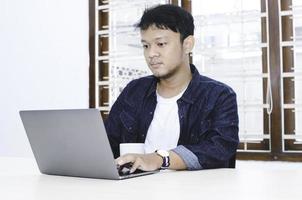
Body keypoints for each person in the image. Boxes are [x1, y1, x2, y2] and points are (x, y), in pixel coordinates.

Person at [104, 4, 239, 173]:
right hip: (134, 189)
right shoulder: (134, 91)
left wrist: (159, 159)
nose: (151, 53)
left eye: (160, 44)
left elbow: (218, 149)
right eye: (145, 46)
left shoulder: (219, 96)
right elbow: (106, 143)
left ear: (188, 44)